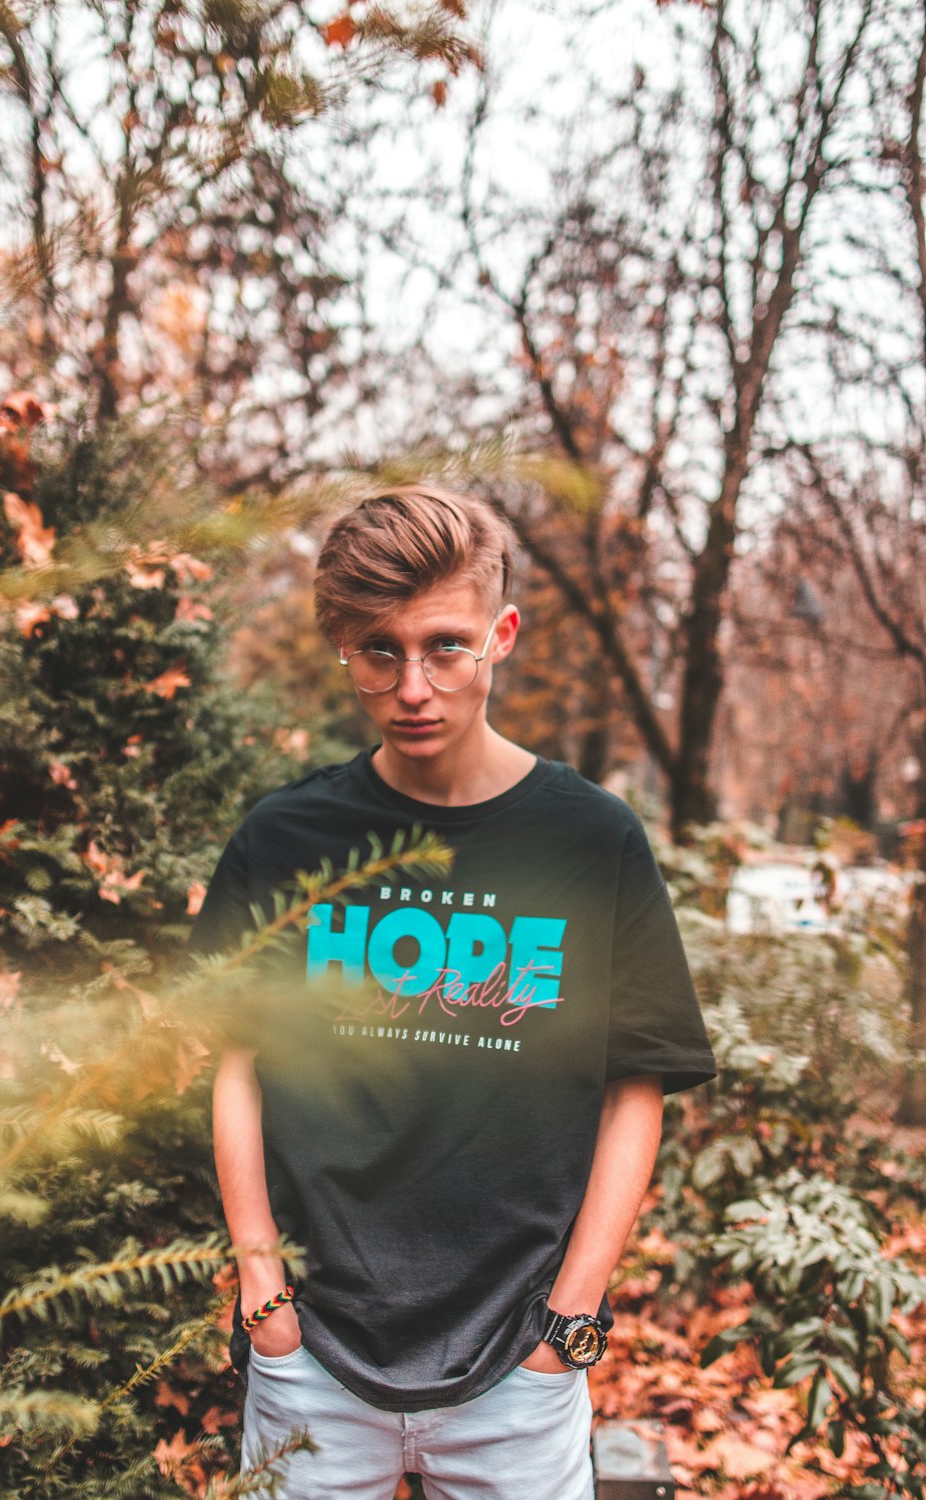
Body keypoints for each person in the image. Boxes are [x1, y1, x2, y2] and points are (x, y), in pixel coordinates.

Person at [189, 484, 717, 1500]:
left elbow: (635, 1090)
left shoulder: (590, 840)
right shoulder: (285, 839)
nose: (414, 686)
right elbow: (238, 1062)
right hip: (313, 1359)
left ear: (500, 634)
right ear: (342, 646)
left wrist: (572, 1320)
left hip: (521, 1366)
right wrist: (264, 1293)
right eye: (377, 650)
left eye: (446, 646)